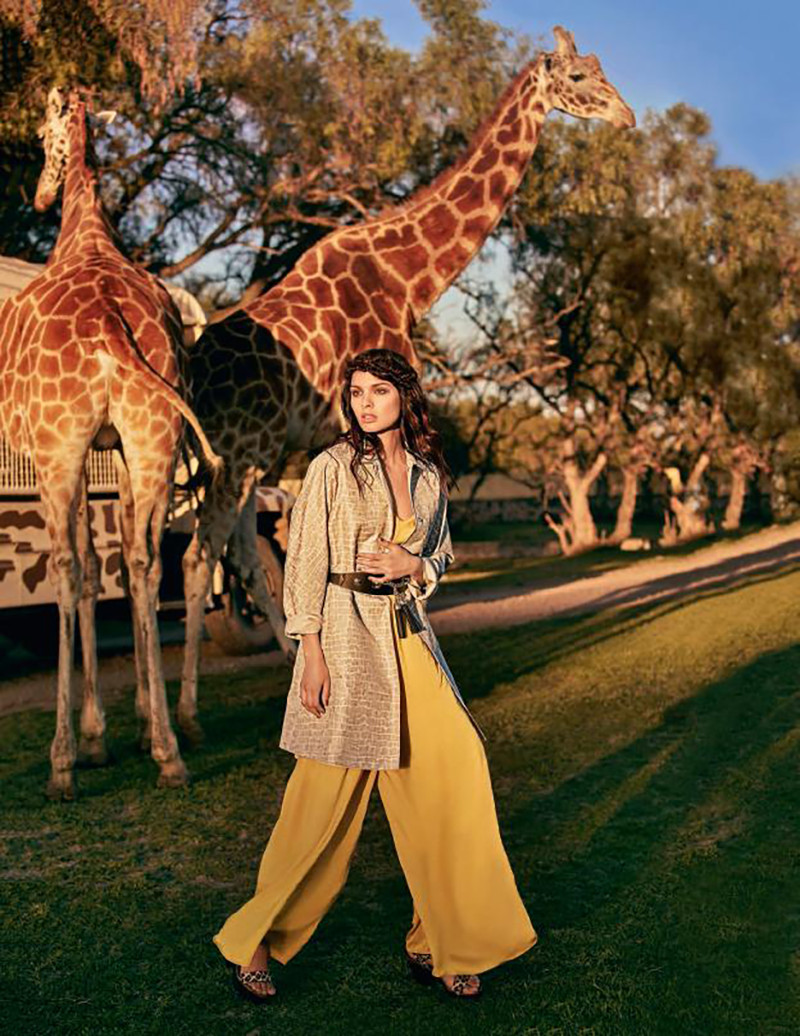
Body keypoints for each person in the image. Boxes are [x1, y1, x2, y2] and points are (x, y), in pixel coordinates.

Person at [213, 348, 536, 1002]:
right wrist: (310, 652)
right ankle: (255, 940)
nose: (364, 403)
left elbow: (441, 553)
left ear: (404, 397)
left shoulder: (426, 473)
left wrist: (414, 567)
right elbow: (304, 560)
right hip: (343, 638)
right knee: (320, 808)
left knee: (457, 774)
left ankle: (441, 941)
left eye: (378, 391)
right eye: (356, 391)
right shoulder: (331, 467)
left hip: (409, 638)